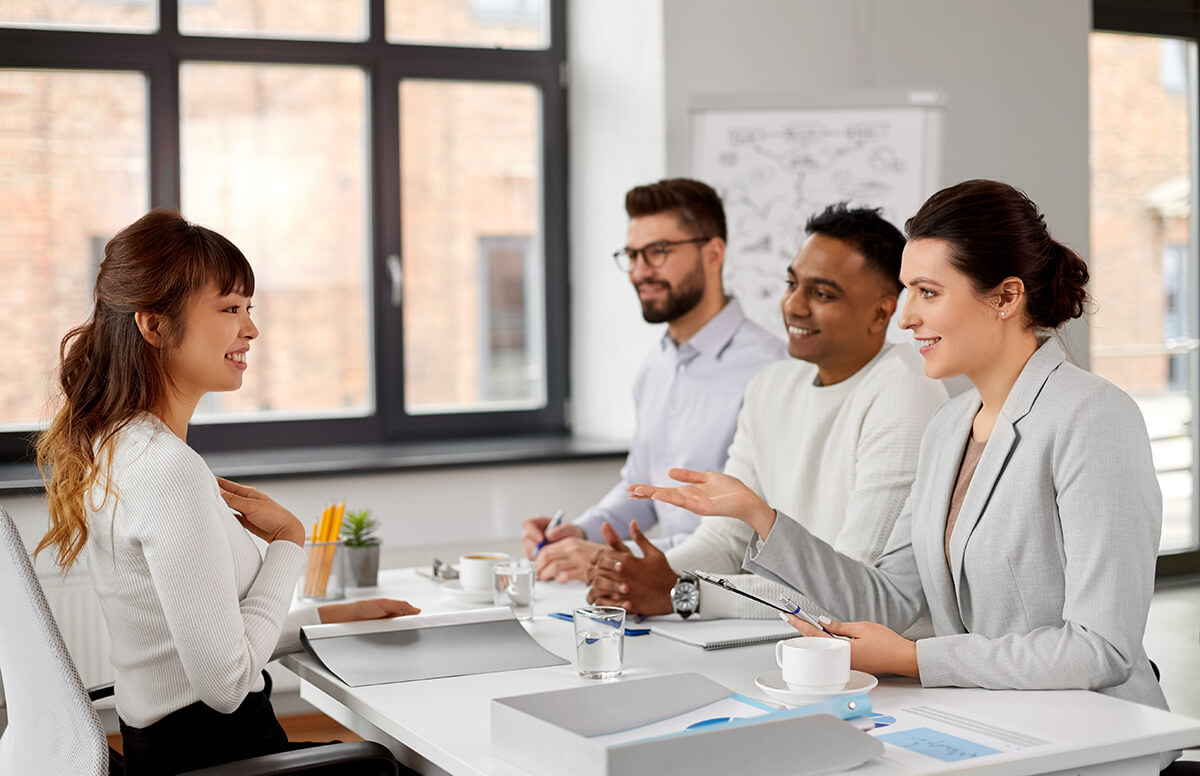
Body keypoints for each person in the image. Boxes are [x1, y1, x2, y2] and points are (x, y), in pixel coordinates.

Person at [628, 179, 1168, 712]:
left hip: (1100, 735)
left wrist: (915, 659)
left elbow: (1103, 649)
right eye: (909, 290)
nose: (906, 317)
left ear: (1005, 297)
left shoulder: (1094, 417)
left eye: (927, 293)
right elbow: (892, 600)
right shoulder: (950, 428)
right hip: (993, 719)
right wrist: (760, 517)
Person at [35, 210, 420, 775]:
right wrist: (290, 542)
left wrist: (326, 620)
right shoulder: (168, 469)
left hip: (181, 755)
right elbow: (226, 685)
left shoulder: (118, 446)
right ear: (155, 326)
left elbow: (208, 648)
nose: (251, 330)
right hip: (227, 757)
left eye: (248, 309)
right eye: (230, 309)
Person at [585, 204, 947, 620]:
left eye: (822, 294)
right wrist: (643, 575)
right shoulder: (771, 385)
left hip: (879, 667)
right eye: (792, 284)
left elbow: (852, 590)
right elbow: (726, 540)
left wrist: (682, 593)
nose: (794, 305)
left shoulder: (904, 384)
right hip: (791, 642)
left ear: (882, 312)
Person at [521, 178, 784, 582]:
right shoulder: (654, 368)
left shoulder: (770, 370)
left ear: (713, 253)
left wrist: (608, 557)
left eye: (658, 252)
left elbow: (746, 534)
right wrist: (579, 532)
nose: (640, 272)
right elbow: (641, 488)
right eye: (632, 254)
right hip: (664, 594)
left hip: (733, 603)